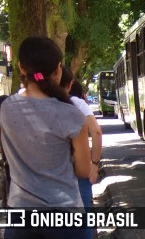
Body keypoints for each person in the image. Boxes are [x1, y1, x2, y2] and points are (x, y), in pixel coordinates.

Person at [0, 36, 90, 239]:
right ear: (58, 69)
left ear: (21, 67)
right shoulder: (72, 114)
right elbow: (84, 170)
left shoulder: (6, 108)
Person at [60, 66, 102, 239]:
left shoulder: (27, 103)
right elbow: (97, 132)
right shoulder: (76, 103)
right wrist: (95, 164)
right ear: (70, 84)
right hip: (79, 171)